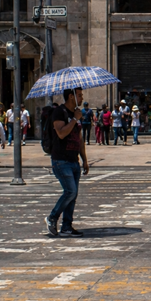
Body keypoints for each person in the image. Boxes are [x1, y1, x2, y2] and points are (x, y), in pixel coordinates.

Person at [45, 88, 89, 238]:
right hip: (61, 160)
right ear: (71, 97)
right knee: (70, 191)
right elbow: (61, 133)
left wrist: (85, 160)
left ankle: (67, 227)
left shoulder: (76, 113)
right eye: (79, 95)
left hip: (73, 160)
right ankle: (52, 217)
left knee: (73, 195)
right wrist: (75, 119)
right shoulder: (59, 112)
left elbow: (79, 139)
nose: (82, 98)